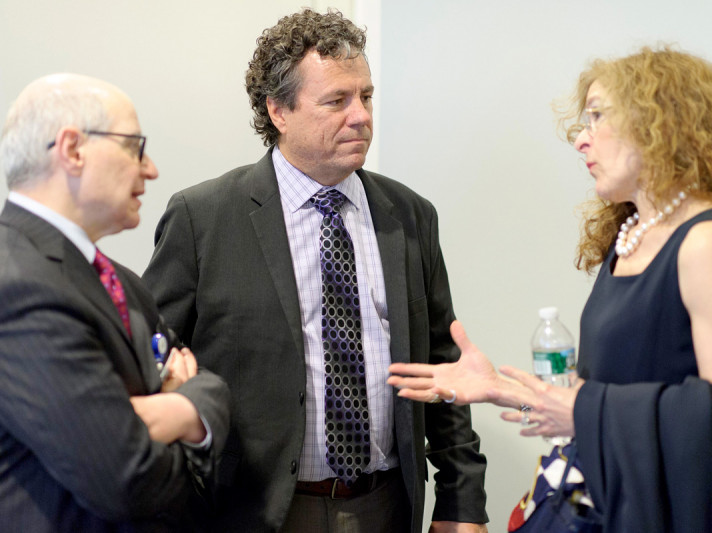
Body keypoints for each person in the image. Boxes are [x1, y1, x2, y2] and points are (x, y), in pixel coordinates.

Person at [388, 46, 712, 533]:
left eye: (596, 117)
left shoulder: (708, 240)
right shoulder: (631, 236)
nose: (581, 141)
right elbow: (602, 396)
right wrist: (505, 391)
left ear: (658, 122)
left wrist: (586, 409)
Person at [141, 8, 488, 533]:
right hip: (253, 510)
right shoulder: (203, 218)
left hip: (384, 505)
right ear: (279, 110)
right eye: (337, 101)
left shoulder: (411, 216)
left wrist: (462, 505)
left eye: (366, 97)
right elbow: (153, 362)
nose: (361, 116)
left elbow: (443, 366)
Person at [0, 73, 230, 532]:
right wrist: (181, 414)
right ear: (71, 150)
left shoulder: (116, 280)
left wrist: (181, 407)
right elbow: (126, 481)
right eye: (134, 146)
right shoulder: (16, 288)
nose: (150, 169)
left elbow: (209, 386)